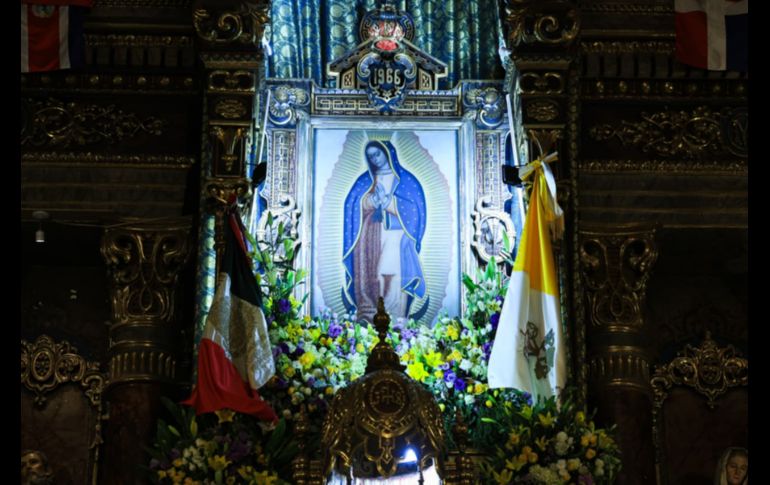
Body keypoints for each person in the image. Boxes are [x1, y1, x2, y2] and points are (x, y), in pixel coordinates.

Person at [342, 140, 427, 322]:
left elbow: (415, 210)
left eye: (377, 154)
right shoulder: (365, 181)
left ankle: (395, 316)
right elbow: (352, 204)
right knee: (373, 274)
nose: (375, 159)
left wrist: (389, 203)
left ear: (388, 153)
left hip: (395, 236)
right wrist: (370, 201)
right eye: (370, 156)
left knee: (392, 272)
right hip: (370, 237)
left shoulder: (406, 180)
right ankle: (370, 313)